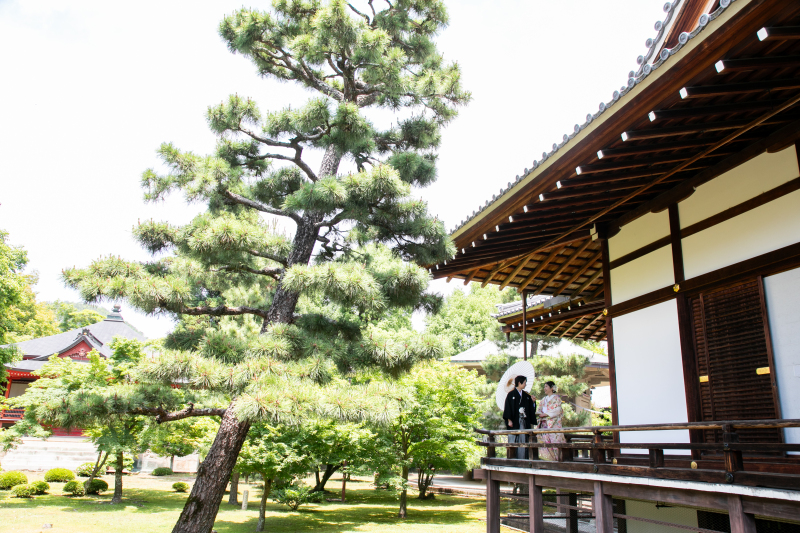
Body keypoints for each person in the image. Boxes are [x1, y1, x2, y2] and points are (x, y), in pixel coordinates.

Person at [502, 375, 536, 459]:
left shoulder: (526, 395)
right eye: (524, 383)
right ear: (519, 383)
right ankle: (513, 458)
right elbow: (508, 408)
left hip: (524, 420)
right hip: (514, 420)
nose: (525, 384)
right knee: (514, 439)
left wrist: (533, 402)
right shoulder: (511, 394)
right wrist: (509, 420)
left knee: (524, 438)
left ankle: (524, 457)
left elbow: (531, 408)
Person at [536, 381, 566, 461]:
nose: (544, 388)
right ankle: (548, 460)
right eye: (544, 387)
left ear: (551, 388)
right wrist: (540, 413)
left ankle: (558, 460)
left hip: (553, 424)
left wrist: (546, 414)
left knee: (555, 441)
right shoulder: (543, 400)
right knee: (545, 443)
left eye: (546, 386)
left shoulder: (556, 399)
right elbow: (539, 410)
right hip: (544, 424)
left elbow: (558, 410)